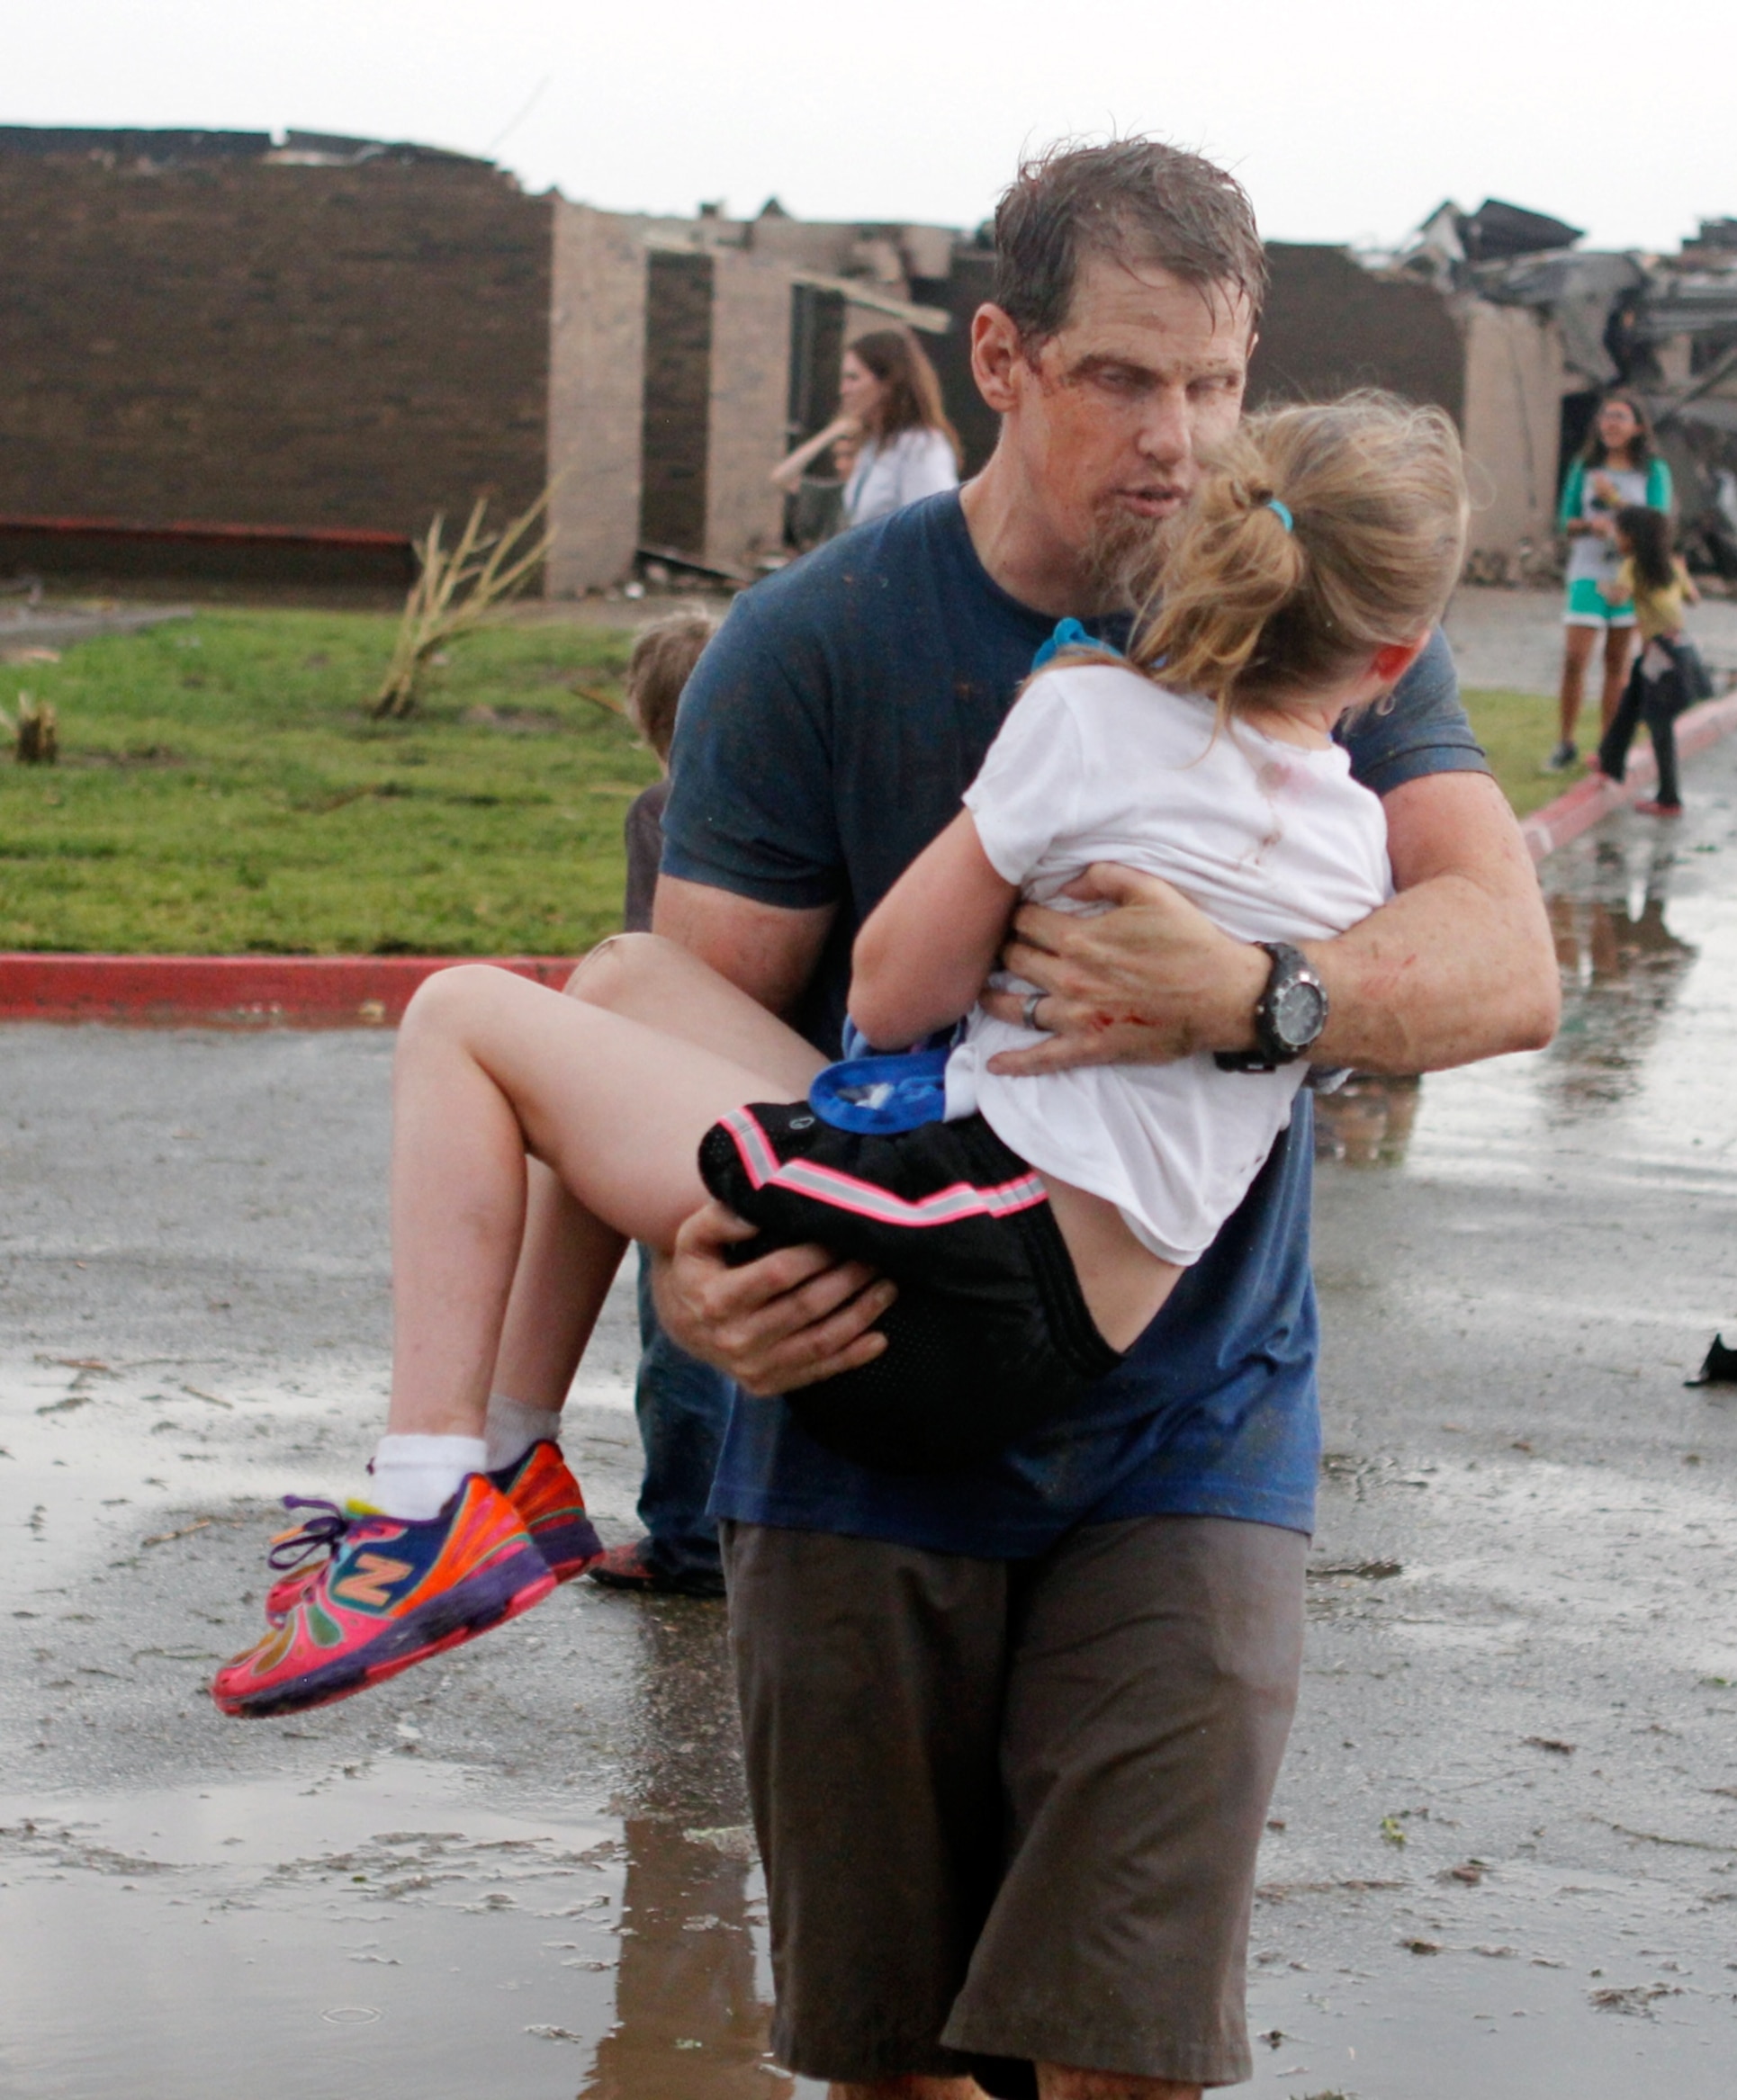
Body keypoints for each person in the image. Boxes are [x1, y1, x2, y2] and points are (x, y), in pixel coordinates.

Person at [604, 141, 1551, 2100]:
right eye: (1127, 378)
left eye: (1215, 381)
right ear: (1005, 357)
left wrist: (1268, 996)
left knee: (1127, 2058)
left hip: (1187, 1424)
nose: (1183, 439)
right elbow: (694, 1031)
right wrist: (696, 1285)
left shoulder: (1315, 603)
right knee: (890, 2062)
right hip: (863, 1411)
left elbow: (1508, 963)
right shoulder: (812, 649)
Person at [211, 395, 1462, 1725]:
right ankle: (511, 1464)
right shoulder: (1360, 851)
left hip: (970, 1268)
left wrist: (1032, 774)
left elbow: (890, 991)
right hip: (1069, 1296)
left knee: (460, 1013)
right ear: (1397, 658)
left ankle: (422, 1502)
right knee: (620, 981)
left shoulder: (1090, 718)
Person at [598, 613, 741, 1596]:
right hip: (783, 1082)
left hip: (683, 1096)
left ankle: (685, 1537)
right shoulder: (781, 800)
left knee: (681, 1328)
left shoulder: (661, 810)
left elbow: (643, 958)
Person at [1552, 391, 1671, 770]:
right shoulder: (1584, 468)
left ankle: (1608, 747)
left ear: (1637, 427)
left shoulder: (1653, 471)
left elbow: (1656, 524)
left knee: (1616, 663)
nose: (1611, 423)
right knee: (1575, 659)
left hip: (1629, 579)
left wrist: (1615, 502)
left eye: (1620, 416)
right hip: (1587, 573)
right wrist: (1589, 525)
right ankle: (1565, 742)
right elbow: (1565, 522)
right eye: (1605, 416)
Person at [773, 327, 966, 530]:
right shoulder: (874, 447)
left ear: (888, 383)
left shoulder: (920, 447)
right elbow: (781, 478)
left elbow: (936, 527)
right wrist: (835, 430)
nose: (843, 390)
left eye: (853, 378)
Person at [1593, 504, 1702, 815]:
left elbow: (1619, 596)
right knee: (1630, 703)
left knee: (1658, 722)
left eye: (1620, 532)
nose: (1617, 537)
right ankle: (1609, 760)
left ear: (1633, 537)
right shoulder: (1671, 565)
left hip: (1659, 654)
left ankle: (1669, 798)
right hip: (1676, 648)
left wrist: (1602, 589)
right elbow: (1694, 599)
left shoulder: (1633, 566)